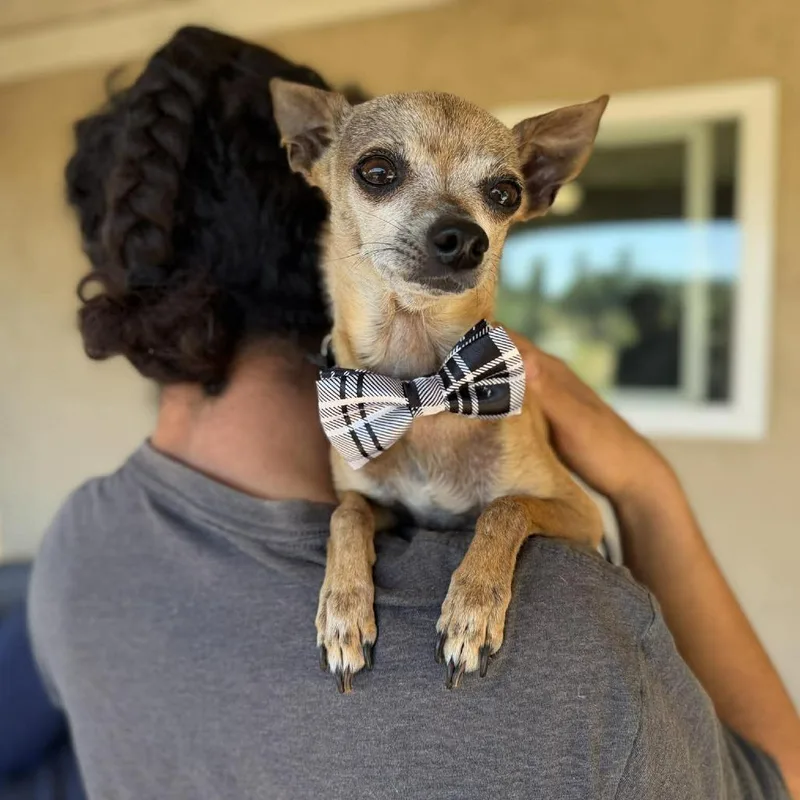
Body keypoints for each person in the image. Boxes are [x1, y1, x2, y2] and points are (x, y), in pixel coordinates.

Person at [28, 25, 800, 800]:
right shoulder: (569, 629)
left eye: (494, 194)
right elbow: (780, 780)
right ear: (318, 187)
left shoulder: (71, 555)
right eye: (381, 174)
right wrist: (645, 484)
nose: (453, 227)